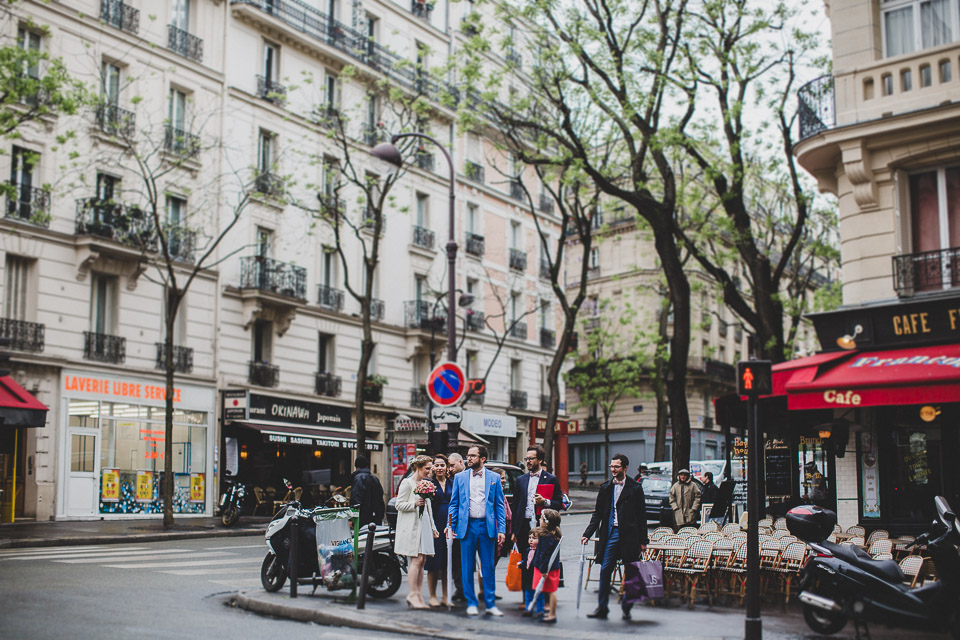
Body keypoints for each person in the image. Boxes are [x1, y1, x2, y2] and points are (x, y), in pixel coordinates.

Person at [581, 453, 648, 620]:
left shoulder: (635, 488)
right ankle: (602, 607)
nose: (613, 469)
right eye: (611, 466)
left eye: (616, 466)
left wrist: (643, 540)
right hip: (610, 534)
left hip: (629, 535)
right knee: (605, 570)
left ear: (625, 468)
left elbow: (642, 516)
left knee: (631, 572)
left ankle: (627, 605)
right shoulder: (606, 488)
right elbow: (597, 514)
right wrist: (587, 534)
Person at [446, 445, 506, 616]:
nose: (469, 458)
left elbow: (499, 505)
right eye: (468, 456)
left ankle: (490, 603)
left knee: (488, 567)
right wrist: (450, 525)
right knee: (466, 566)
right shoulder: (460, 477)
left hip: (487, 527)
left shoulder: (494, 478)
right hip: (467, 526)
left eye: (473, 456)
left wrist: (501, 529)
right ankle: (471, 602)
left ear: (483, 459)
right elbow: (454, 504)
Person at [511, 445, 563, 606]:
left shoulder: (551, 479)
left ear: (540, 460)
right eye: (526, 458)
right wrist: (514, 530)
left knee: (543, 561)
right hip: (525, 525)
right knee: (527, 562)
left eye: (531, 458)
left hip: (544, 526)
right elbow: (516, 505)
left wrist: (545, 502)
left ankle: (545, 598)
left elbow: (559, 503)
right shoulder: (521, 480)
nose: (528, 461)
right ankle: (527, 598)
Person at [394, 455, 440, 609]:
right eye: (428, 468)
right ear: (418, 467)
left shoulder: (424, 483)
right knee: (416, 560)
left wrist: (433, 528)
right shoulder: (407, 483)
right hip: (413, 526)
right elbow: (398, 505)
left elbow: (428, 509)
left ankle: (418, 594)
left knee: (423, 560)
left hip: (424, 524)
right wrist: (414, 503)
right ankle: (412, 594)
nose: (430, 471)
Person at [426, 454, 453, 608]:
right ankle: (432, 596)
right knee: (434, 562)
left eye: (442, 465)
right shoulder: (430, 484)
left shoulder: (452, 483)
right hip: (435, 524)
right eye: (436, 465)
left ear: (447, 467)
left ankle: (445, 596)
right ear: (433, 468)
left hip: (449, 525)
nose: (439, 468)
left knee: (447, 562)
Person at [532, 509, 562, 624]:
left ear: (546, 522)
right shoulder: (555, 533)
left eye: (541, 518)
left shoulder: (546, 536)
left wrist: (543, 570)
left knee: (549, 591)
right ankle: (551, 613)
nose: (539, 520)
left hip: (546, 568)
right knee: (552, 591)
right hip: (554, 567)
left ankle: (551, 615)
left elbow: (544, 554)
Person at [446, 452, 466, 602]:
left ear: (460, 462)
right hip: (454, 523)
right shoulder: (451, 479)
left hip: (468, 523)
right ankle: (460, 588)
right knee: (457, 558)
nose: (450, 468)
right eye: (449, 466)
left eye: (452, 465)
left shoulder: (468, 477)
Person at [350, 455, 384, 527]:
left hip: (362, 519)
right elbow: (380, 499)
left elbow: (356, 500)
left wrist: (352, 518)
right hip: (375, 518)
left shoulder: (358, 478)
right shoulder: (375, 479)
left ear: (356, 467)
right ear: (367, 466)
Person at [519, 529, 544, 617]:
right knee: (528, 594)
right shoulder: (527, 550)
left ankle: (540, 610)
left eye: (534, 538)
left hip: (536, 576)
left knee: (539, 594)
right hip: (528, 576)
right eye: (529, 538)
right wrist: (521, 564)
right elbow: (526, 561)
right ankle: (528, 609)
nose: (531, 540)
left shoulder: (540, 552)